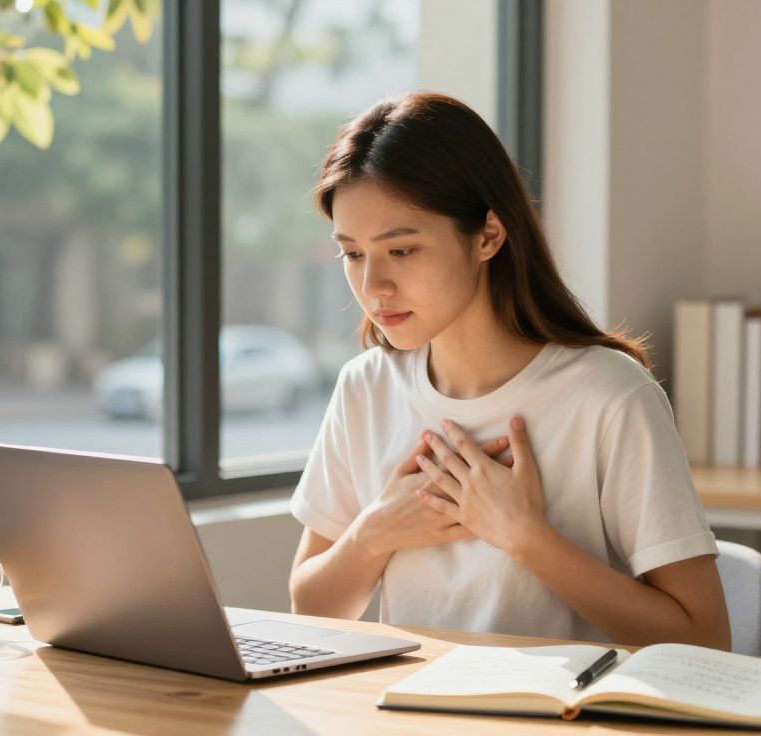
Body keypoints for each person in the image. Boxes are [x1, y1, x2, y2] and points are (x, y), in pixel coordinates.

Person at [287, 93, 731, 649]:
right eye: (353, 254)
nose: (372, 286)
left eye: (401, 251)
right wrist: (374, 534)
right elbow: (311, 607)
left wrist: (526, 538)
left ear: (488, 236)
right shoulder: (365, 388)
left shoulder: (610, 395)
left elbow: (707, 640)